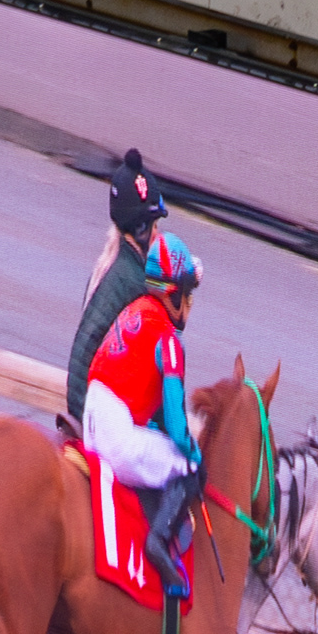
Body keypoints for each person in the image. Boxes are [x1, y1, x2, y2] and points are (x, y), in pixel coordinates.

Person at [81, 232, 206, 608]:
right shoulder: (168, 340)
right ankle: (158, 543)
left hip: (92, 421)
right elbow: (175, 421)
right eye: (189, 294)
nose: (191, 304)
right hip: (116, 438)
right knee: (187, 467)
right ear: (175, 295)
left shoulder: (131, 312)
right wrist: (196, 455)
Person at [66, 149, 174, 426]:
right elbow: (87, 349)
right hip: (103, 418)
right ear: (140, 229)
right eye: (154, 225)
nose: (158, 233)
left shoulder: (114, 262)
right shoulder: (131, 280)